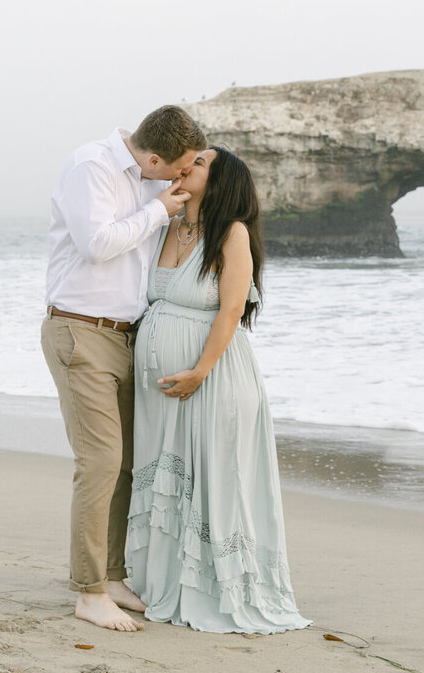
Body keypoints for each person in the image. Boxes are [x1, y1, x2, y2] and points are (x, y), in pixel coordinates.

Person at [126, 146, 311, 633]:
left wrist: (199, 371)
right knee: (172, 482)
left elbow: (231, 310)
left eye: (200, 164)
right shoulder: (168, 226)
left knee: (213, 482)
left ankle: (217, 590)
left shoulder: (232, 234)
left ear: (222, 180)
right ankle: (162, 583)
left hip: (213, 378)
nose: (188, 166)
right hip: (164, 391)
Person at [41, 105, 207, 632]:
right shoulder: (92, 166)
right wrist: (159, 210)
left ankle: (111, 575)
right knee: (101, 460)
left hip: (126, 337)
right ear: (154, 156)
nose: (181, 178)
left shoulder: (148, 181)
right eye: (179, 168)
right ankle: (88, 592)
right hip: (80, 330)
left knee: (129, 462)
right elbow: (97, 245)